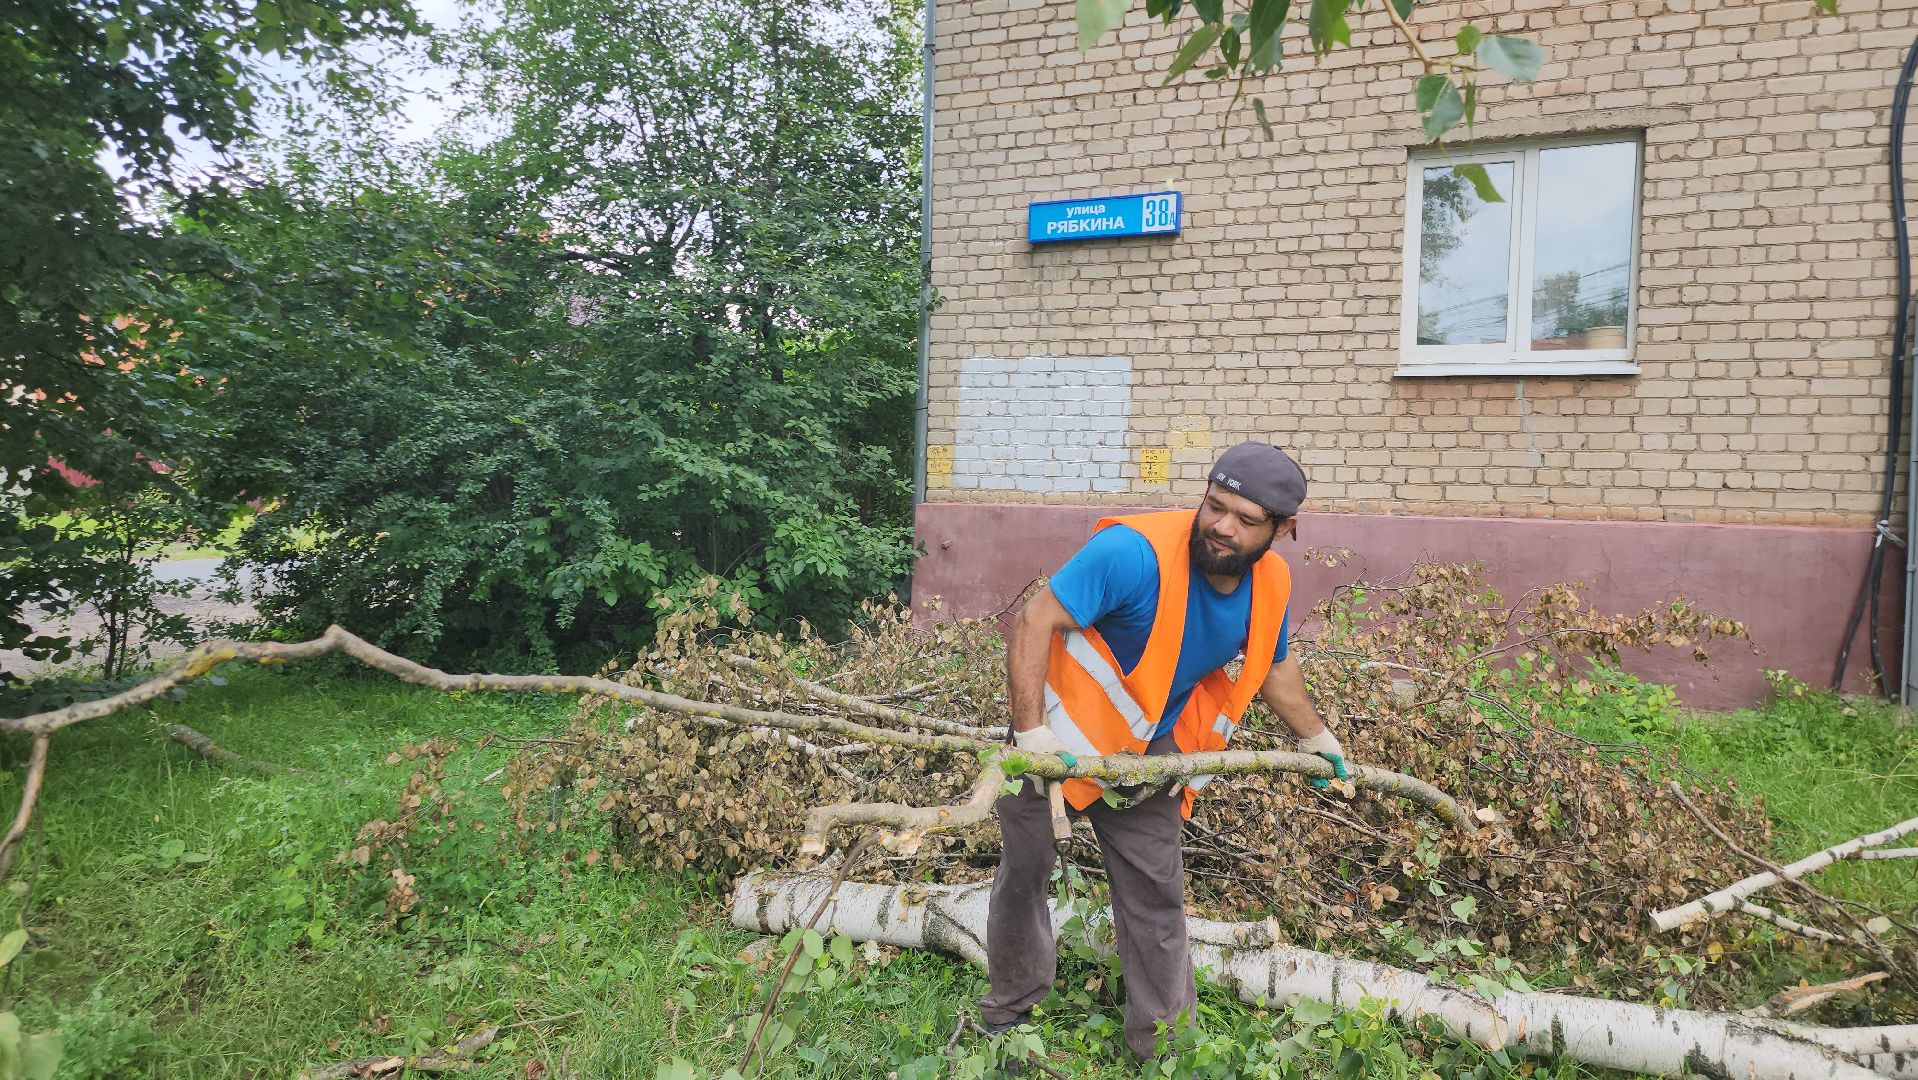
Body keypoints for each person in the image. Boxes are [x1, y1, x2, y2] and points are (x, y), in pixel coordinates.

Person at [978, 441, 1349, 1064]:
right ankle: (1009, 1018)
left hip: (1148, 760)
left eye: (1245, 519)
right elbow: (1033, 619)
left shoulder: (1272, 583)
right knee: (1024, 879)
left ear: (1285, 529)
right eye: (1214, 505)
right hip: (1053, 746)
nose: (1222, 527)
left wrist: (1315, 737)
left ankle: (1165, 1050)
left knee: (1157, 900)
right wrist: (1031, 734)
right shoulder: (1133, 552)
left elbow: (1276, 670)